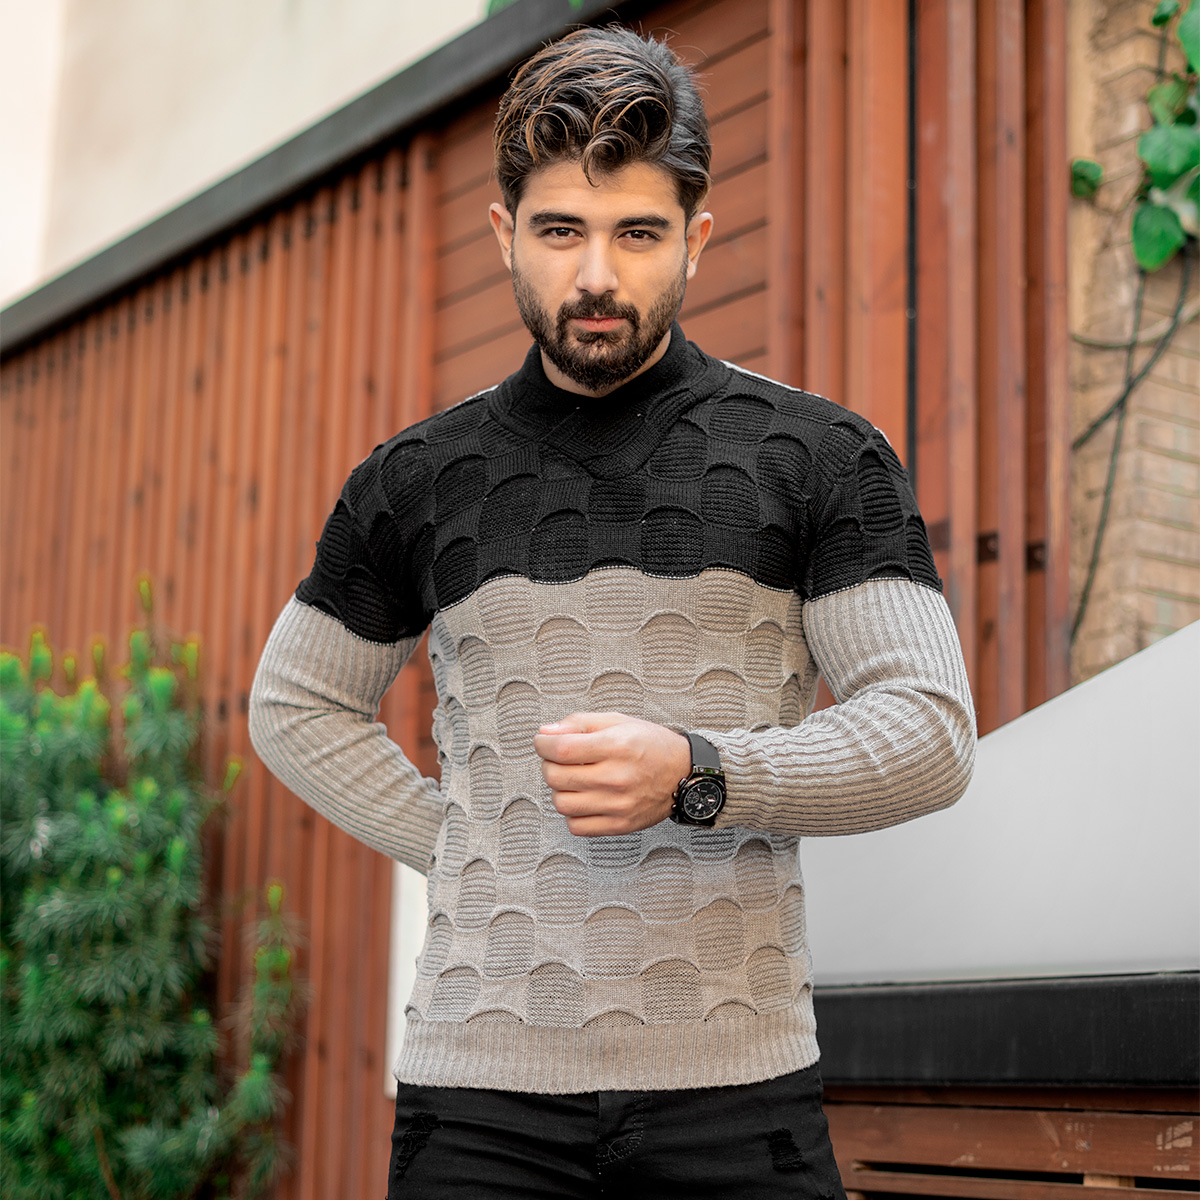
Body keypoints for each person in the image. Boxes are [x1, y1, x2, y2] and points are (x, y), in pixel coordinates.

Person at [249, 25, 976, 1199]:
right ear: (505, 234)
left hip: (739, 1097)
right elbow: (295, 704)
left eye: (636, 233)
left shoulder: (820, 457)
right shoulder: (417, 478)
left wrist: (700, 773)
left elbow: (930, 730)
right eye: (560, 231)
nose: (596, 275)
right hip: (478, 1105)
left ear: (695, 238)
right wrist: (468, 842)